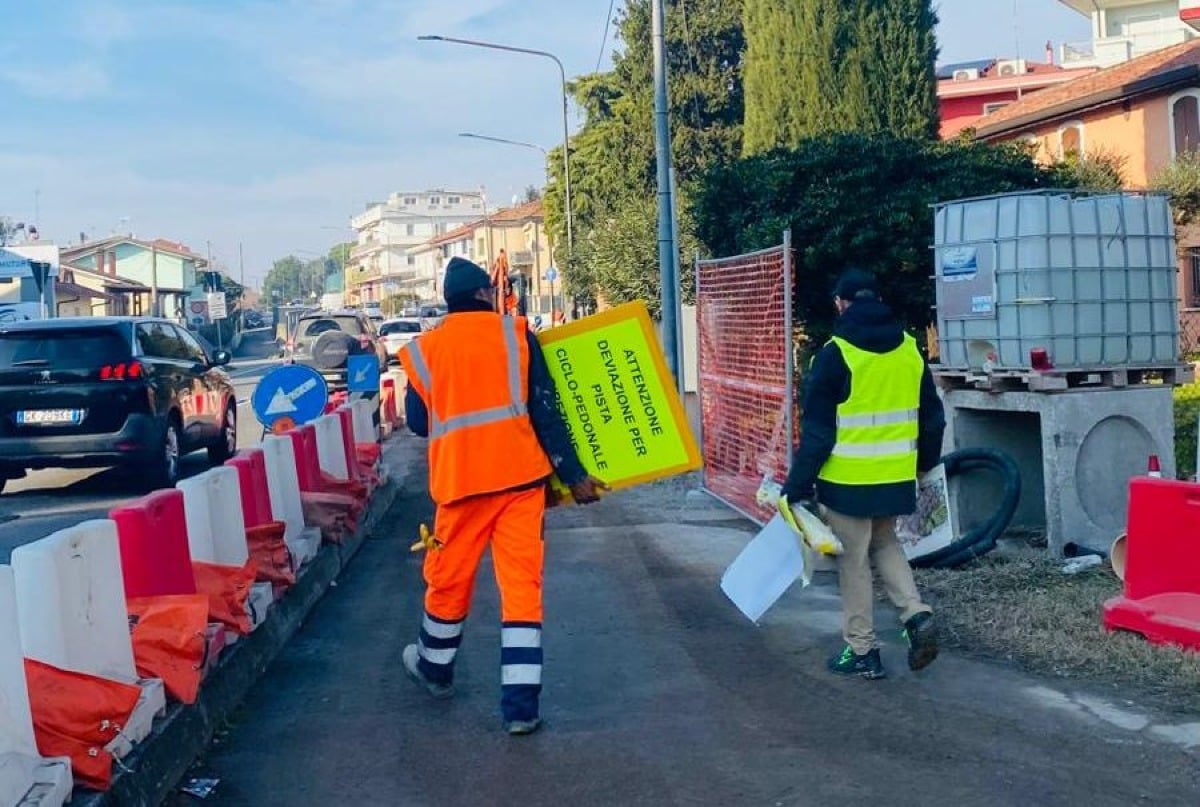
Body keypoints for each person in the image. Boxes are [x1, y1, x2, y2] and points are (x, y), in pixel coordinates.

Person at [398, 256, 607, 735]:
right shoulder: (515, 337)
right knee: (521, 591)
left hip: (460, 486)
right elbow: (545, 412)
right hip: (520, 483)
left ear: (449, 302)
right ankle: (521, 709)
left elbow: (417, 423)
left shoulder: (422, 352)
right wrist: (572, 476)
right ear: (482, 296)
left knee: (448, 580)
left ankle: (433, 668)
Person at [782, 268, 945, 680]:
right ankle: (915, 613)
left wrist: (796, 486)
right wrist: (925, 464)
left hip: (847, 481)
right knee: (886, 543)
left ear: (841, 303)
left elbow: (818, 433)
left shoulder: (835, 354)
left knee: (852, 561)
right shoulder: (910, 349)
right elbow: (932, 419)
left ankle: (862, 650)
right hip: (895, 476)